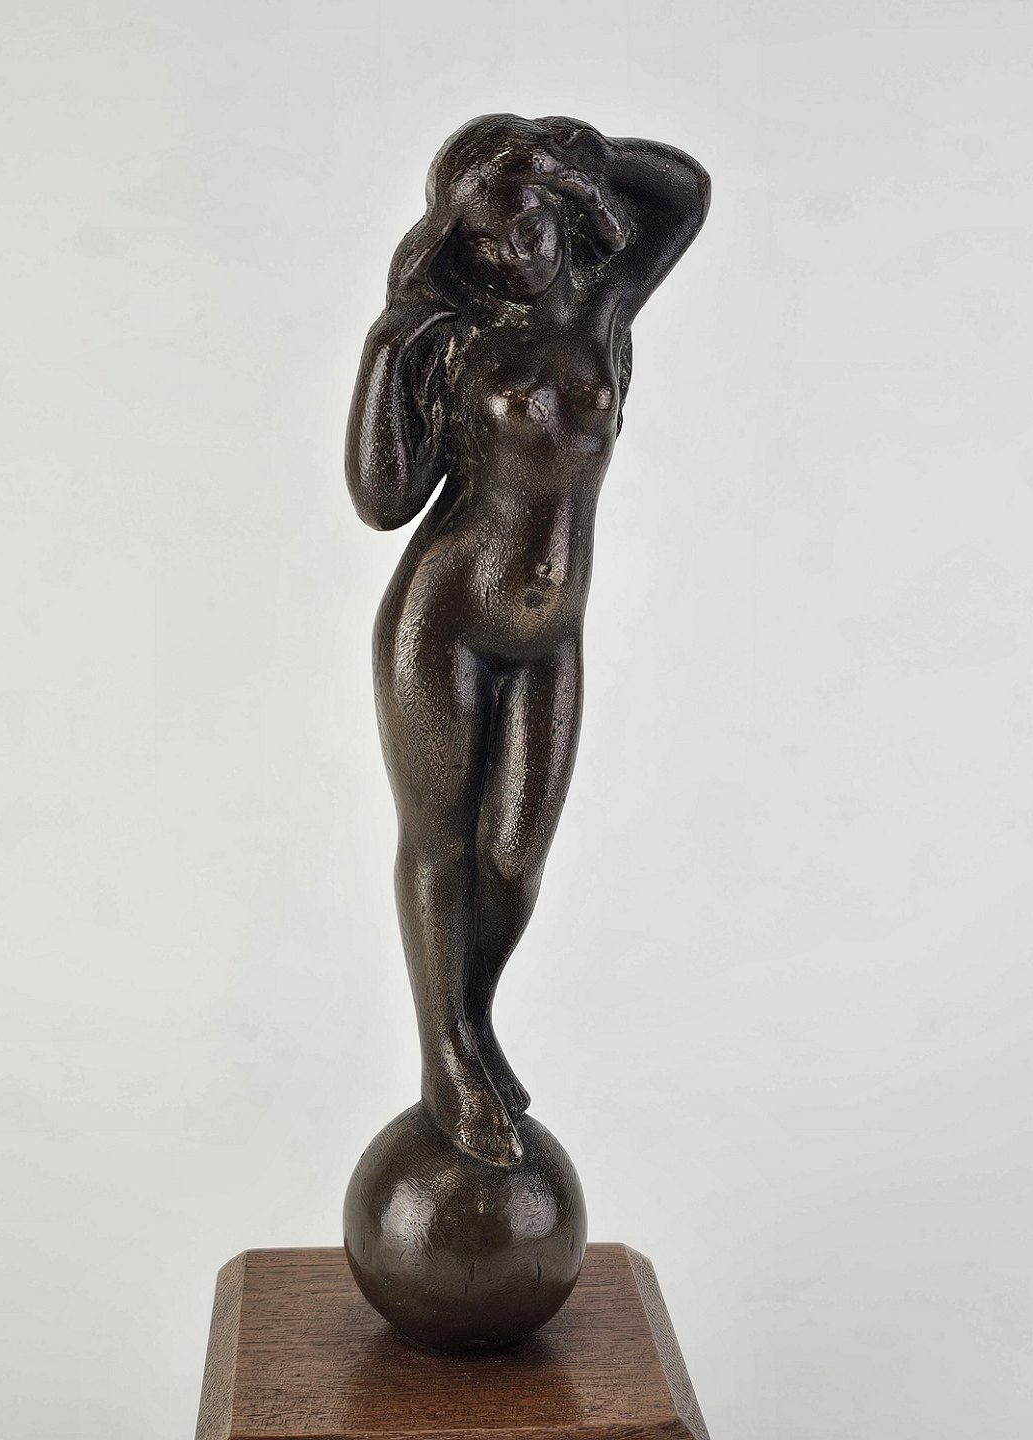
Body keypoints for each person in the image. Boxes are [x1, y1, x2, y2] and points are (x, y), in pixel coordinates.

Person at [346, 114, 709, 1166]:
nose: (518, 253)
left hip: (554, 636)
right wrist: (388, 347)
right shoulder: (450, 334)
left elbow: (684, 193)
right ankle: (451, 1057)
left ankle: (465, 1025)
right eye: (488, 240)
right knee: (440, 846)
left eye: (530, 225)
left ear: (558, 210)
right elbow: (379, 501)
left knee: (512, 861)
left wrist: (571, 160)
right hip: (444, 621)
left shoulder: (606, 300)